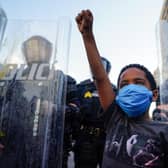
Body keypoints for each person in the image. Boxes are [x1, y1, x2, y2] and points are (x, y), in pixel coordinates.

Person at [75, 9, 168, 168]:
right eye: (124, 85)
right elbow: (101, 78)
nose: (131, 88)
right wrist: (87, 35)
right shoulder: (115, 121)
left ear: (153, 95)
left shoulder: (164, 132)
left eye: (138, 83)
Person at [73, 57, 116, 168]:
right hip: (85, 139)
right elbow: (74, 110)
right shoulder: (81, 88)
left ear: (107, 70)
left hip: (108, 139)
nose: (96, 68)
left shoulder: (114, 91)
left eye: (101, 65)